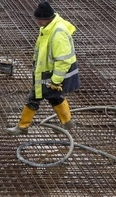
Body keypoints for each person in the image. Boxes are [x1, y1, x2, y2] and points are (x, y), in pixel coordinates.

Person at [5, 1, 79, 134]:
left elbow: (64, 61)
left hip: (52, 74)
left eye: (39, 19)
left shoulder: (58, 33)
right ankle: (67, 123)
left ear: (46, 18)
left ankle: (22, 127)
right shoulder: (48, 28)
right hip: (45, 71)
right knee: (53, 97)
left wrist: (56, 80)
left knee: (35, 97)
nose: (37, 22)